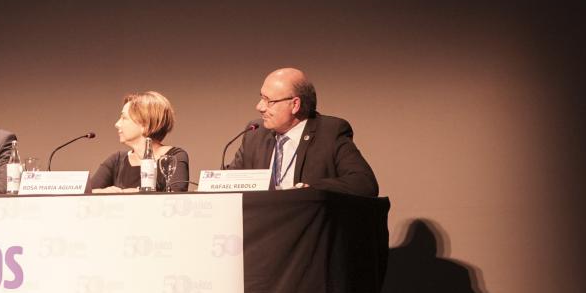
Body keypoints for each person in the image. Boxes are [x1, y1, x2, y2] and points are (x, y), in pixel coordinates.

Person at [227, 67, 378, 196]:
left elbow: (364, 183)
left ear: (295, 105)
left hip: (306, 225)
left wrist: (310, 190)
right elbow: (230, 181)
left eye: (269, 101)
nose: (259, 107)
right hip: (263, 224)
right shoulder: (256, 133)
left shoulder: (329, 132)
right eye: (261, 98)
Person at [90, 91, 190, 193]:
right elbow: (85, 194)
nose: (117, 124)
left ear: (145, 125)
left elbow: (176, 197)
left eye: (124, 118)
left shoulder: (174, 157)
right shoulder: (116, 161)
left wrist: (125, 193)